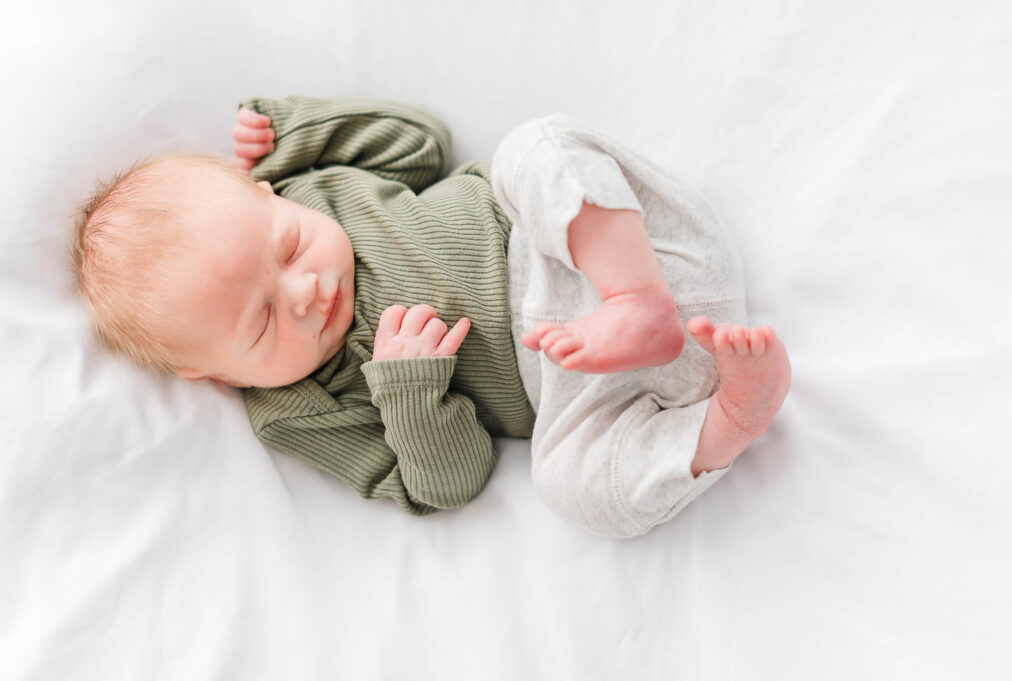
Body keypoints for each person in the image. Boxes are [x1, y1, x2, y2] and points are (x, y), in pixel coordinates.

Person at [73, 96, 790, 538]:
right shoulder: (292, 409)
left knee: (532, 147)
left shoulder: (314, 187)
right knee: (571, 489)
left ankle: (636, 299)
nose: (303, 291)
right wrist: (411, 388)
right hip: (586, 387)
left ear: (270, 194)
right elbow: (447, 483)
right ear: (212, 374)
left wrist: (303, 130)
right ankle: (729, 419)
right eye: (262, 323)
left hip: (601, 247)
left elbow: (422, 144)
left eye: (289, 245)